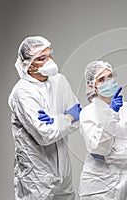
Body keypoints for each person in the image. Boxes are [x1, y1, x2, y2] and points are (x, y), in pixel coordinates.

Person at [8, 36, 82, 200]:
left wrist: (57, 121)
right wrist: (67, 116)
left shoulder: (59, 81)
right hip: (37, 175)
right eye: (42, 58)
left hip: (64, 170)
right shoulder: (23, 93)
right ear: (27, 64)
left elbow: (79, 119)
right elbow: (45, 136)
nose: (49, 61)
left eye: (50, 55)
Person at [78, 61, 127, 200]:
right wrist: (112, 114)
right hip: (99, 186)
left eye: (110, 76)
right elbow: (98, 148)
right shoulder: (88, 113)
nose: (108, 82)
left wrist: (110, 155)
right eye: (101, 79)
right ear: (92, 86)